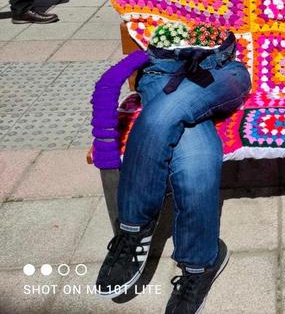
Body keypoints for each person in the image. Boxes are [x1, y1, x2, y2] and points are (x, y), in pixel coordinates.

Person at [95, 33, 251, 314]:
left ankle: (132, 228)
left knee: (159, 117)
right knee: (196, 160)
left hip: (221, 70)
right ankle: (200, 263)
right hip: (162, 72)